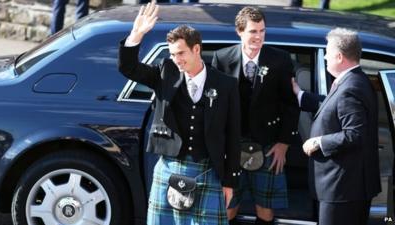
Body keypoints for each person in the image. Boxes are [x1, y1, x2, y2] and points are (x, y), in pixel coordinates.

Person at [118, 2, 241, 224]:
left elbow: (233, 136)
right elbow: (128, 68)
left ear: (197, 49)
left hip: (208, 169)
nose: (177, 59)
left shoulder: (226, 85)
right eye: (173, 54)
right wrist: (136, 34)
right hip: (170, 166)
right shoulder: (166, 73)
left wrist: (230, 181)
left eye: (181, 53)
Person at [212, 6, 300, 225]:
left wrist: (283, 143)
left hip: (268, 142)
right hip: (231, 145)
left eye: (262, 31)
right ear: (239, 31)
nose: (258, 36)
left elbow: (291, 104)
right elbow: (214, 107)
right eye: (253, 31)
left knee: (265, 208)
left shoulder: (279, 60)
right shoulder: (222, 58)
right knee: (228, 205)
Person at [297, 28, 381, 225]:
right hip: (345, 188)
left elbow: (354, 133)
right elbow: (333, 106)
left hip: (343, 190)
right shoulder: (355, 81)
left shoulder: (350, 89)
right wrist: (300, 96)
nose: (324, 56)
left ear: (340, 56)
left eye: (327, 52)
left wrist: (319, 141)